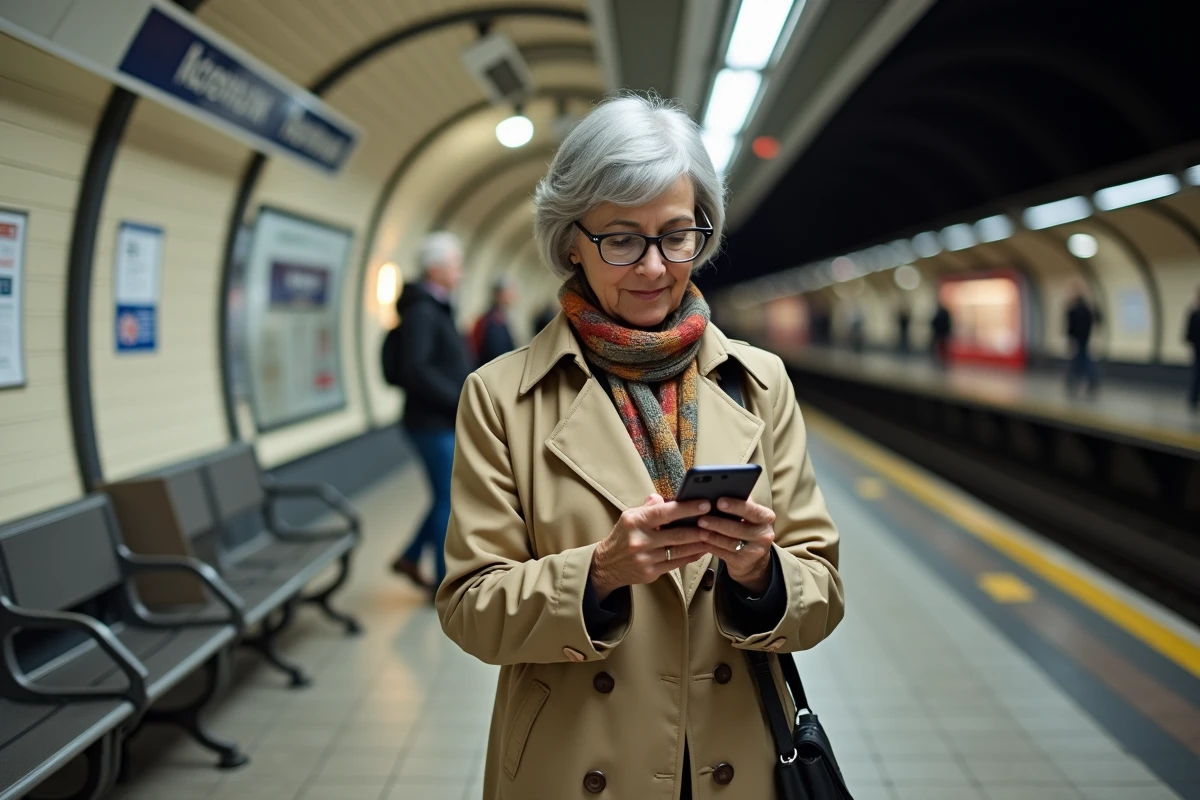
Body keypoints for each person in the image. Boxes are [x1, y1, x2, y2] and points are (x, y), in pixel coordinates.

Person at [437, 96, 844, 799]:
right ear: (571, 239)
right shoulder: (501, 397)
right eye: (622, 240)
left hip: (735, 761)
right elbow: (470, 608)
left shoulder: (758, 383)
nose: (655, 267)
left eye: (677, 235)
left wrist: (761, 574)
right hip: (577, 763)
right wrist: (598, 574)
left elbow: (823, 588)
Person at [387, 232, 473, 597]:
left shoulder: (436, 306)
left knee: (444, 496)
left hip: (438, 421)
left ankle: (410, 557)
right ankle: (443, 580)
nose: (461, 272)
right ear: (435, 268)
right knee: (448, 498)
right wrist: (459, 399)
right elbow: (417, 368)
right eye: (455, 265)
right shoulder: (423, 311)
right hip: (430, 423)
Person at [470, 278, 518, 366]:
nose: (513, 295)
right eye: (509, 292)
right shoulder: (490, 321)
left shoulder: (501, 318)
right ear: (499, 294)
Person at [1065, 284, 1100, 397]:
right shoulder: (1088, 310)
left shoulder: (1073, 310)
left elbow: (1070, 326)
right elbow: (1096, 321)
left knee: (1077, 361)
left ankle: (1073, 382)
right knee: (1084, 359)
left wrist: (1070, 340)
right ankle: (1090, 381)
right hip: (1085, 339)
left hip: (1077, 339)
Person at [1186, 286, 1200, 412]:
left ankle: (1193, 400)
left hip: (1196, 349)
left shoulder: (1193, 314)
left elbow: (1188, 335)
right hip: (1197, 349)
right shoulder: (1194, 314)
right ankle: (1193, 399)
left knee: (1196, 375)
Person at [931, 301, 952, 367]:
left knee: (940, 346)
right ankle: (942, 359)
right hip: (943, 332)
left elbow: (935, 322)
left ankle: (941, 359)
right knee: (942, 346)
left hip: (940, 332)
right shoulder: (945, 313)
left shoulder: (939, 313)